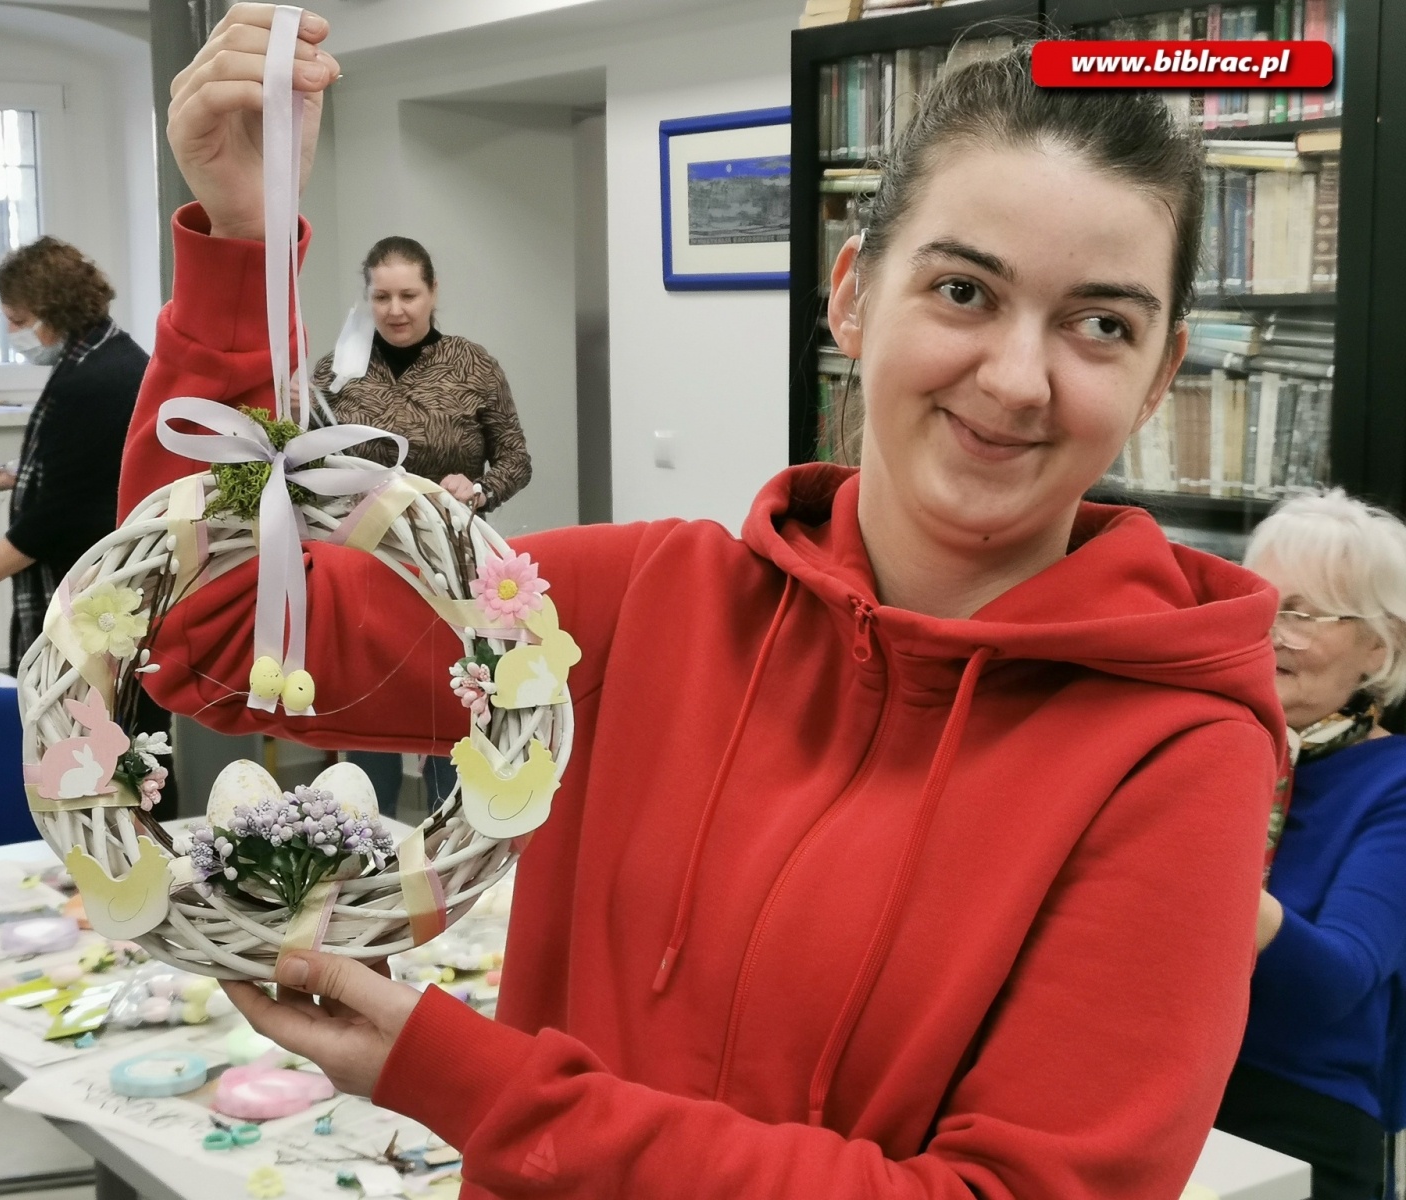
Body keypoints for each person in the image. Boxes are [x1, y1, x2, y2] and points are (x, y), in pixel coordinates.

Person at [126, 9, 1286, 1196]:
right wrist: (241, 238)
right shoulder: (634, 606)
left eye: (1101, 325)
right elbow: (199, 631)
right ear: (851, 298)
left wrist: (473, 1083)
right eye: (962, 290)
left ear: (1157, 380)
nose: (1017, 377)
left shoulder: (1178, 756)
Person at [1214, 490, 1406, 1200]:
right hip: (1160, 1081)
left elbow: (1337, 984)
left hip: (1299, 1115)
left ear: (1381, 645)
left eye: (1303, 611)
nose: (1273, 629)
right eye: (1262, 601)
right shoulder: (1218, 749)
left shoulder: (1395, 782)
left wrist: (1203, 876)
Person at [310, 235, 533, 816]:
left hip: (448, 566)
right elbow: (303, 463)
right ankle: (362, 839)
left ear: (433, 293)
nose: (396, 309)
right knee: (368, 703)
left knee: (449, 701)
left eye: (409, 294)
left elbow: (515, 459)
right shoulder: (337, 370)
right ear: (367, 299)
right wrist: (293, 414)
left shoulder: (473, 365)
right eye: (381, 296)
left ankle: (448, 838)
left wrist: (480, 488)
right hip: (362, 563)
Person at [0, 237, 148, 673]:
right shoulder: (108, 355)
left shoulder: (93, 380)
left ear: (57, 312)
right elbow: (91, 461)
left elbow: (59, 516)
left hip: (88, 585)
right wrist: (12, 474)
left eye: (19, 321)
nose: (13, 334)